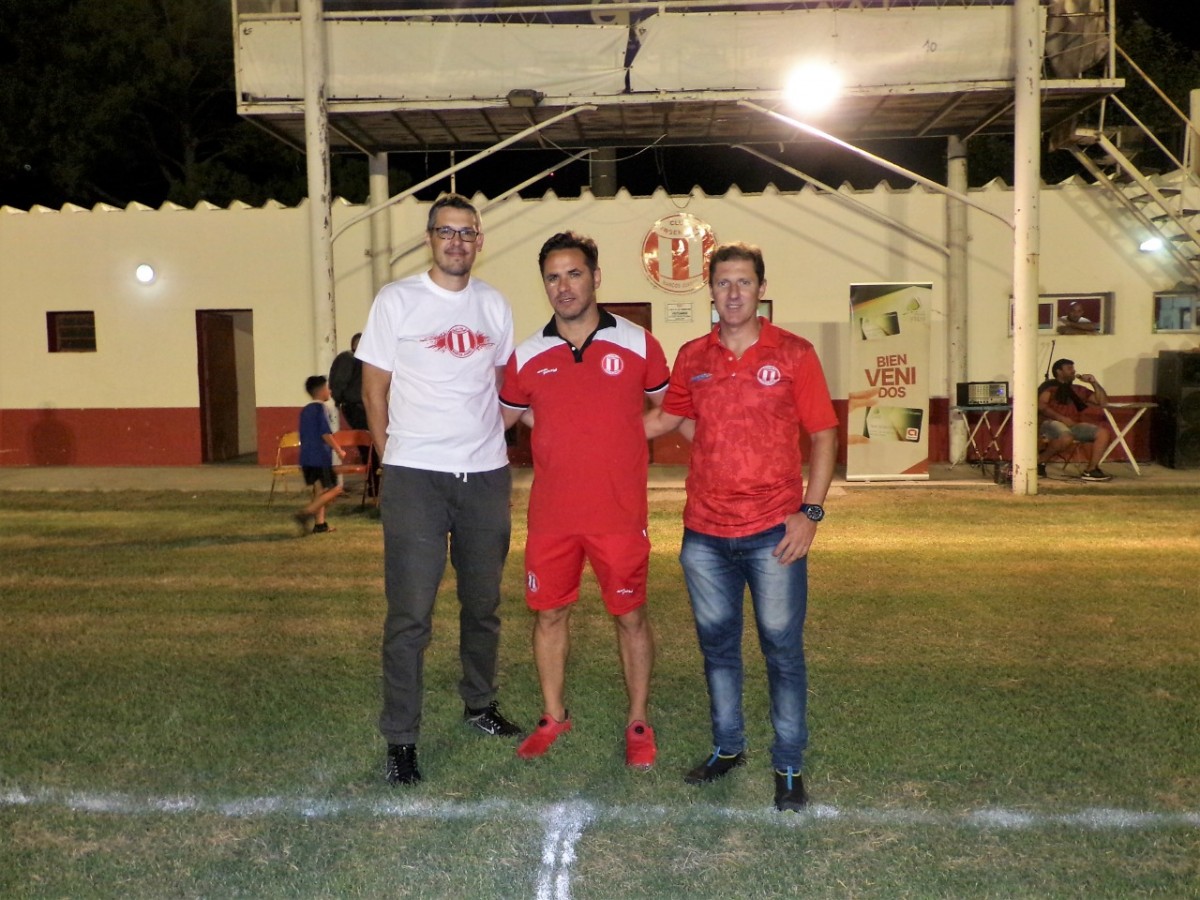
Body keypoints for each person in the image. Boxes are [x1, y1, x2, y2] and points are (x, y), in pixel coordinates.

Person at [644, 242, 838, 812]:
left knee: (782, 650)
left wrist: (811, 512)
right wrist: (595, 428)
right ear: (711, 289)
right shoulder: (692, 356)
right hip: (704, 534)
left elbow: (824, 434)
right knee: (718, 649)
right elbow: (667, 419)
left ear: (760, 289)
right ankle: (727, 748)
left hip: (774, 534)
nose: (733, 293)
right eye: (724, 283)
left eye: (744, 283)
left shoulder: (795, 353)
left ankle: (789, 764)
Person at [356, 193, 523, 787]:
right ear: (430, 238)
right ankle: (402, 737)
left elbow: (505, 389)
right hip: (416, 478)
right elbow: (373, 388)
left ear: (480, 241)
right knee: (410, 616)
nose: (457, 242)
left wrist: (486, 443)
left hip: (482, 478)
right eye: (446, 232)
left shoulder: (494, 305)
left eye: (467, 233)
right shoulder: (396, 300)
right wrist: (392, 458)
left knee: (483, 607)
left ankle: (479, 706)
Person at [499, 232, 669, 768]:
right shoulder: (528, 354)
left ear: (596, 278)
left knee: (631, 616)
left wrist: (622, 436)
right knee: (549, 615)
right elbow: (504, 416)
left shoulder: (640, 343)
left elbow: (671, 408)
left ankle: (638, 719)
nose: (563, 286)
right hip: (552, 516)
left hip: (619, 514)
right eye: (553, 277)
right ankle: (553, 715)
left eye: (574, 274)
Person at [1037, 357, 1112, 481]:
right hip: (1050, 423)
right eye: (1069, 368)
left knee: (1103, 433)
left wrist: (1094, 382)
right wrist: (1061, 418)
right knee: (1067, 437)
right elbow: (1042, 406)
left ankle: (1091, 470)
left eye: (1073, 368)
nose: (1073, 371)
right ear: (1059, 372)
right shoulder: (1049, 387)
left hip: (1073, 425)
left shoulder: (1078, 389)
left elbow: (1103, 402)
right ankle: (1040, 461)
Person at [294, 375, 346, 535]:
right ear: (322, 390)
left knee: (319, 492)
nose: (329, 391)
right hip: (319, 457)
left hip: (306, 458)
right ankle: (305, 513)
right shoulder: (320, 409)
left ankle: (320, 525)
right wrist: (338, 449)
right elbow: (325, 433)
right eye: (328, 388)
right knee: (336, 488)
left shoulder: (305, 410)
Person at [329, 332, 367, 430]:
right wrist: (338, 399)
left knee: (368, 439)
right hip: (355, 406)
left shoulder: (360, 361)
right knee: (367, 438)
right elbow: (340, 381)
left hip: (357, 405)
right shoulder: (348, 358)